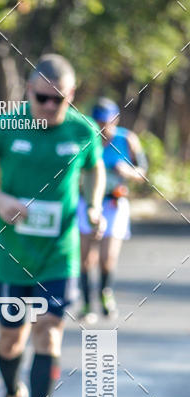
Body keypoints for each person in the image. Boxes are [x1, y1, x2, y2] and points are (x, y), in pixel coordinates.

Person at [0, 55, 105, 397]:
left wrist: (93, 205)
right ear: (28, 92)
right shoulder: (7, 126)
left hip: (58, 255)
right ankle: (13, 394)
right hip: (15, 255)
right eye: (42, 98)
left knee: (49, 328)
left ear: (72, 96)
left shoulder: (83, 131)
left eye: (58, 100)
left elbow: (95, 170)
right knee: (12, 339)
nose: (49, 107)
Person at [77, 98, 148, 321]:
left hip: (114, 204)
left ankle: (106, 295)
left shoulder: (127, 139)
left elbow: (143, 172)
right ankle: (87, 304)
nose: (101, 128)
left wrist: (128, 172)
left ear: (114, 120)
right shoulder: (86, 140)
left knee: (107, 258)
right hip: (87, 203)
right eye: (97, 122)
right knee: (85, 258)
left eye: (105, 123)